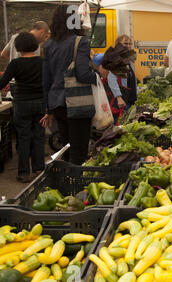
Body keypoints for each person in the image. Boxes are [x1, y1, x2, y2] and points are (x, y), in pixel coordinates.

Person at [40, 4, 109, 165]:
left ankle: (66, 185)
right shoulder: (80, 42)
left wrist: (49, 109)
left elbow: (46, 80)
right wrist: (99, 75)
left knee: (67, 149)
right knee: (79, 153)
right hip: (77, 104)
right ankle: (76, 187)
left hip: (57, 104)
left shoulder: (48, 45)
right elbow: (83, 73)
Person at [0, 32, 45, 182]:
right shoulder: (42, 62)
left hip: (22, 103)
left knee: (24, 137)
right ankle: (39, 170)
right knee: (39, 136)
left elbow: (2, 83)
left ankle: (24, 172)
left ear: (18, 47)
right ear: (35, 45)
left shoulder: (15, 64)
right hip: (40, 103)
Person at [106, 35, 137, 124]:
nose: (128, 46)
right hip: (122, 101)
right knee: (119, 125)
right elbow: (111, 79)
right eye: (125, 43)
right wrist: (118, 97)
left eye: (130, 44)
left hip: (130, 100)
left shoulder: (129, 60)